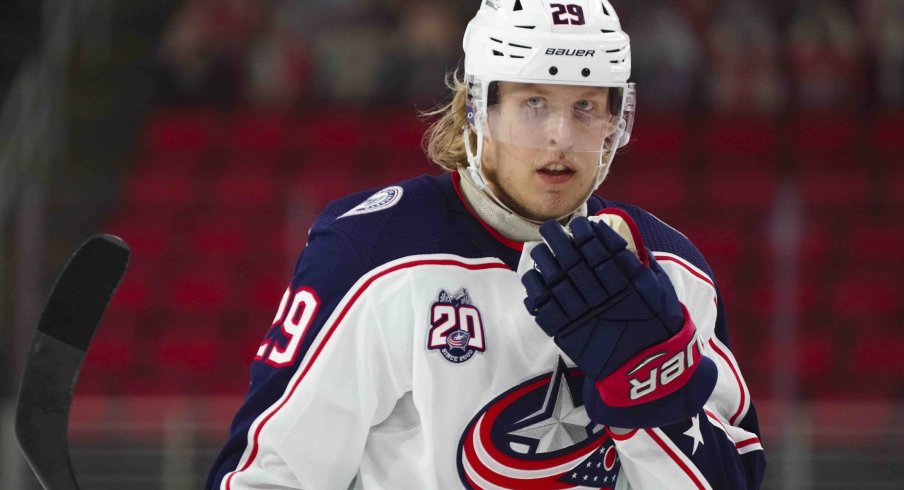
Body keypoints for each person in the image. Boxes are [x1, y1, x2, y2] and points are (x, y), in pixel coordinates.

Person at [207, 1, 765, 488]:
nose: (561, 136)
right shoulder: (370, 254)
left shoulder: (670, 271)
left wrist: (650, 385)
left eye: (586, 107)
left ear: (618, 118)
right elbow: (269, 476)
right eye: (533, 103)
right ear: (478, 108)